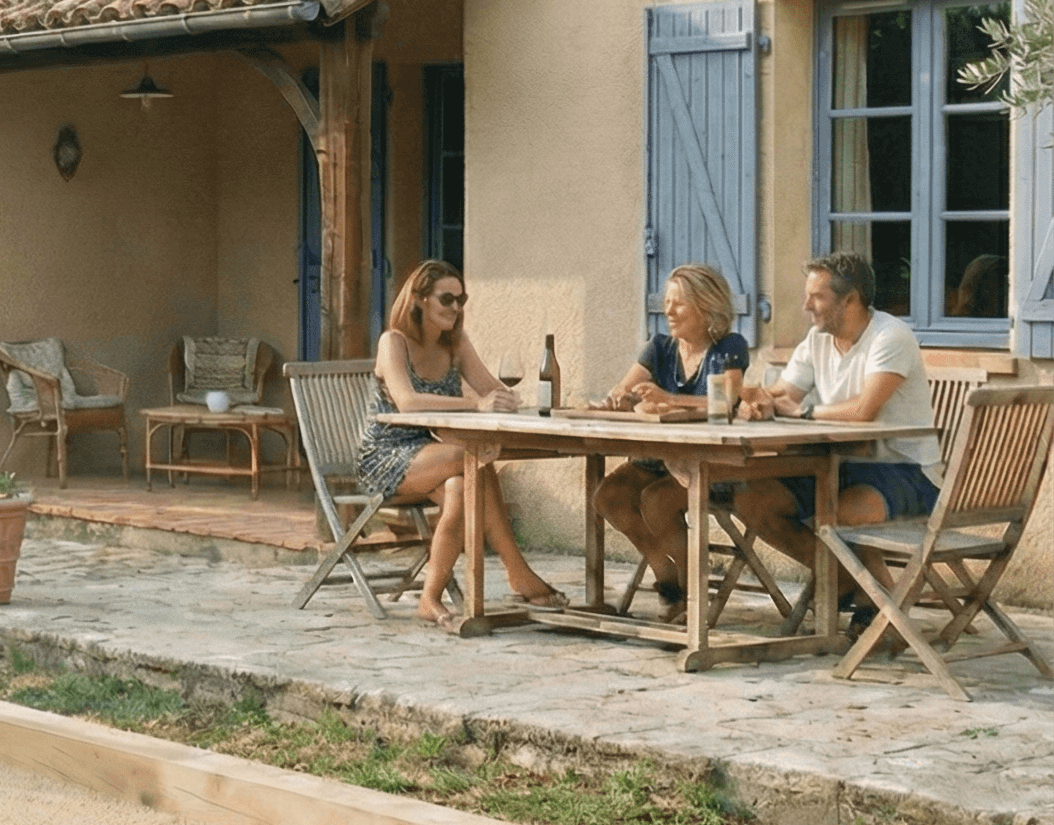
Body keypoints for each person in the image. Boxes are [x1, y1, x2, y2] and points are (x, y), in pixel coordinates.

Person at [358, 259, 565, 631]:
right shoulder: (394, 342)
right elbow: (407, 401)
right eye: (447, 299)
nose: (456, 307)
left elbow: (493, 390)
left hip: (438, 456)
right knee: (469, 460)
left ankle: (430, 598)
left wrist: (503, 399)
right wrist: (476, 404)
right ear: (420, 299)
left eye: (461, 299)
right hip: (388, 456)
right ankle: (517, 571)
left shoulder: (456, 344)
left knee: (461, 486)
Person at [736, 252, 941, 626]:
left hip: (907, 471)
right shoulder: (817, 340)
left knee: (839, 513)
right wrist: (764, 403)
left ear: (850, 299)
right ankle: (850, 582)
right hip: (840, 466)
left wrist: (804, 413)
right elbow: (785, 396)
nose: (806, 305)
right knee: (754, 498)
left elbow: (864, 409)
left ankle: (883, 614)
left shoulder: (890, 336)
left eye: (817, 296)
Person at [591, 264, 751, 619]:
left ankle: (690, 595)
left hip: (710, 464)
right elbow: (624, 388)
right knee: (608, 496)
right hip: (656, 459)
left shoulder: (728, 347)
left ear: (706, 306)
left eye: (679, 303)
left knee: (657, 500)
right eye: (667, 302)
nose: (668, 310)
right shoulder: (659, 347)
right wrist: (621, 398)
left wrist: (670, 398)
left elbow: (726, 404)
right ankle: (666, 575)